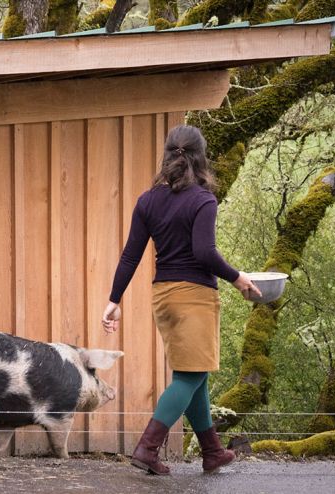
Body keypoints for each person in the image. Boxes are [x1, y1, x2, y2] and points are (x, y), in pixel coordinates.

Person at [101, 125, 261, 475]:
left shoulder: (148, 200)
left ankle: (212, 451)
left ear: (167, 155)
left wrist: (114, 300)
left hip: (164, 297)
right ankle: (147, 448)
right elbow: (204, 252)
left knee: (195, 374)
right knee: (188, 378)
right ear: (201, 158)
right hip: (195, 297)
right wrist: (238, 278)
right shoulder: (203, 200)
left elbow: (130, 256)